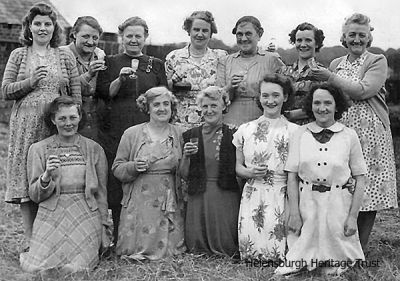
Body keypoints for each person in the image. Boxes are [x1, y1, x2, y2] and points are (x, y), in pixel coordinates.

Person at [310, 13, 398, 254]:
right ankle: (341, 243)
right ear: (344, 37)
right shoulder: (336, 63)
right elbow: (332, 98)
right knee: (342, 183)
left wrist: (329, 78)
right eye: (352, 35)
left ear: (369, 37)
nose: (357, 39)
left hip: (371, 133)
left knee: (368, 187)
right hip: (342, 131)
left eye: (362, 35)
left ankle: (361, 246)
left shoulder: (376, 60)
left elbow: (362, 91)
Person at [2, 2, 81, 250]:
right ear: (29, 27)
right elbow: (5, 91)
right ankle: (30, 239)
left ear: (54, 27)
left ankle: (53, 236)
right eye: (38, 23)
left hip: (55, 125)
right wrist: (29, 82)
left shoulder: (64, 55)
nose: (43, 28)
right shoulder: (19, 55)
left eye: (47, 24)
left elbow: (75, 92)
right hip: (26, 124)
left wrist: (74, 118)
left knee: (54, 174)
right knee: (29, 178)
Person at [276, 84, 367, 275]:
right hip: (307, 203)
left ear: (336, 106)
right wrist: (294, 213)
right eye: (317, 102)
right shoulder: (300, 134)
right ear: (310, 105)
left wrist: (352, 217)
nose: (322, 108)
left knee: (340, 267)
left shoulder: (349, 136)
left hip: (338, 205)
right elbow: (291, 176)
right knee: (295, 265)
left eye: (328, 102)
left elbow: (361, 179)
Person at [96, 16, 167, 244]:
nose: (134, 40)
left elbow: (162, 97)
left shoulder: (155, 64)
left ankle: (146, 235)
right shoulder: (110, 61)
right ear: (122, 37)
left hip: (147, 131)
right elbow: (105, 93)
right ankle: (119, 235)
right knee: (119, 180)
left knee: (145, 179)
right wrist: (119, 79)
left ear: (145, 37)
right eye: (129, 36)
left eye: (138, 35)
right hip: (117, 130)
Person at [20, 96, 109, 273]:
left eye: (72, 117)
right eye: (62, 118)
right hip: (51, 213)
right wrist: (46, 176)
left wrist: (104, 227)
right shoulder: (38, 149)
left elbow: (101, 193)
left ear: (80, 118)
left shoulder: (94, 149)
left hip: (85, 213)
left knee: (78, 268)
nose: (68, 123)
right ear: (53, 120)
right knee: (38, 267)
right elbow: (35, 196)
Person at [112, 86, 185, 260]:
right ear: (148, 108)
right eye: (156, 104)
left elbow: (184, 168)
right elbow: (117, 168)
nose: (162, 108)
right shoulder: (131, 134)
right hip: (139, 199)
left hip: (168, 199)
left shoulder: (179, 133)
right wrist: (134, 166)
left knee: (172, 253)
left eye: (166, 104)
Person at [233, 74, 298, 261]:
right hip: (252, 193)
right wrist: (247, 172)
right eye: (265, 95)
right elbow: (237, 166)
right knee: (253, 254)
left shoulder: (294, 131)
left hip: (281, 193)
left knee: (277, 251)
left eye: (276, 95)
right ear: (259, 97)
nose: (270, 101)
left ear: (285, 97)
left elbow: (295, 174)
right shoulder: (245, 130)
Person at [180, 86, 240, 258]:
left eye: (214, 105)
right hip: (198, 192)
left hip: (225, 192)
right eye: (205, 106)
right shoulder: (190, 135)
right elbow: (184, 175)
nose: (209, 110)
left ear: (224, 106)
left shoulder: (235, 134)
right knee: (196, 249)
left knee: (227, 247)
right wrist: (186, 156)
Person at [165, 11, 227, 131]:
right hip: (180, 125)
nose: (200, 34)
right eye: (196, 29)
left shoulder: (221, 57)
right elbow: (164, 90)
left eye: (205, 31)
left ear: (210, 34)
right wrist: (170, 84)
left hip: (212, 125)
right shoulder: (174, 57)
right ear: (189, 31)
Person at [217, 16, 284, 128]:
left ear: (260, 34)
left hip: (263, 119)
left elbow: (284, 93)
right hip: (231, 121)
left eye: (248, 34)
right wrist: (229, 87)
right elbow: (216, 98)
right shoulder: (225, 61)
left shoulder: (272, 60)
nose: (243, 39)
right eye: (239, 34)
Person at [63, 16, 106, 141]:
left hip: (94, 119)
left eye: (95, 38)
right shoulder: (62, 54)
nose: (91, 42)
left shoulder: (100, 55)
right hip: (69, 118)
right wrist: (89, 74)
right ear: (75, 34)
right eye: (85, 36)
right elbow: (65, 89)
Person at [279, 22, 325, 125]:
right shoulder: (283, 71)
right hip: (283, 129)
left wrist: (291, 115)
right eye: (299, 40)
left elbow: (324, 105)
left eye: (308, 40)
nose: (303, 44)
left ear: (316, 43)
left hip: (311, 129)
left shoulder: (323, 72)